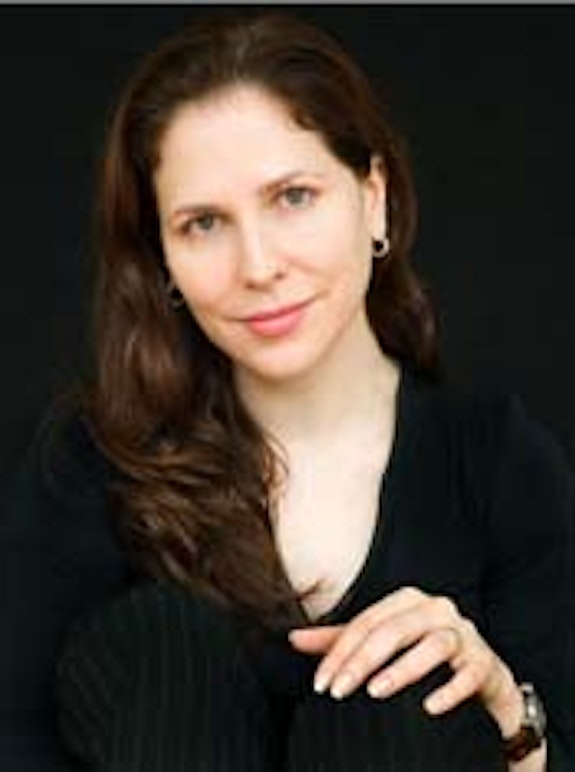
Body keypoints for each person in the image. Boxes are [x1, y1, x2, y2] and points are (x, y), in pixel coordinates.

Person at [1, 8, 573, 771]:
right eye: (204, 223)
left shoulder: (496, 461)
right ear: (162, 257)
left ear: (373, 197)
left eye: (292, 197)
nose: (259, 265)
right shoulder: (89, 463)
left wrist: (507, 711)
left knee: (411, 680)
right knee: (154, 643)